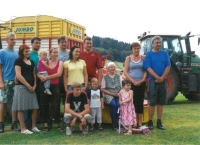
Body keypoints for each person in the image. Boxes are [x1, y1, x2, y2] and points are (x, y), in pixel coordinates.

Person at [144, 36, 171, 130]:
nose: (158, 44)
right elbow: (148, 67)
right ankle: (150, 122)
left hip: (163, 80)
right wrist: (157, 77)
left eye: (160, 42)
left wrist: (162, 77)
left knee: (161, 102)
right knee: (152, 102)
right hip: (152, 80)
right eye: (157, 43)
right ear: (153, 44)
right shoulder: (149, 54)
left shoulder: (164, 53)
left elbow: (168, 66)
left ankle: (159, 122)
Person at [12, 44, 40, 134]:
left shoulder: (32, 62)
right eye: (26, 51)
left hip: (32, 87)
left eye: (28, 51)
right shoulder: (18, 61)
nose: (28, 53)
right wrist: (28, 85)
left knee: (35, 107)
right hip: (21, 87)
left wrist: (34, 85)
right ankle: (23, 129)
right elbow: (19, 75)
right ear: (22, 52)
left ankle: (33, 126)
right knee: (21, 108)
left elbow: (34, 74)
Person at [38, 48, 63, 132]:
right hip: (44, 86)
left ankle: (57, 123)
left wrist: (47, 77)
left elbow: (59, 74)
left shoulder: (60, 63)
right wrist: (40, 77)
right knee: (44, 105)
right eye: (54, 52)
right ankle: (46, 124)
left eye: (57, 52)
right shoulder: (45, 62)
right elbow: (37, 71)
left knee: (55, 105)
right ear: (50, 54)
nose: (56, 54)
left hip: (55, 86)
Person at [123, 42, 147, 128]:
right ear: (131, 50)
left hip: (141, 83)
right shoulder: (128, 58)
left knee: (140, 102)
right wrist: (133, 81)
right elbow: (125, 71)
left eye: (138, 48)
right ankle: (133, 122)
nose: (136, 50)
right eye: (135, 48)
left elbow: (145, 71)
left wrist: (142, 80)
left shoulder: (143, 58)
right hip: (131, 84)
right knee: (132, 103)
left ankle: (140, 122)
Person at [0, 32, 19, 133]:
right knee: (3, 103)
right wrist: (1, 82)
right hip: (6, 80)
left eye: (15, 39)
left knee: (14, 103)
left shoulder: (17, 53)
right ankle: (1, 124)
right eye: (11, 39)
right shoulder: (2, 52)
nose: (14, 41)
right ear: (6, 40)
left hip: (15, 81)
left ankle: (14, 123)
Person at [24, 36, 41, 130]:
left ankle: (34, 122)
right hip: (30, 81)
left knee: (35, 103)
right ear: (32, 44)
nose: (38, 44)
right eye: (36, 43)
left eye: (39, 43)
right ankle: (27, 123)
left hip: (38, 82)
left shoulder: (40, 55)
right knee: (28, 103)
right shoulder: (29, 55)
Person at [101, 62, 122, 130]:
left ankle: (120, 122)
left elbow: (122, 87)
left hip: (118, 94)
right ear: (107, 69)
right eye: (111, 67)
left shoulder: (119, 76)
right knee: (113, 105)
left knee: (119, 105)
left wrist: (119, 93)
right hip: (108, 94)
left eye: (114, 67)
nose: (113, 68)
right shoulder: (105, 77)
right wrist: (112, 94)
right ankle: (114, 123)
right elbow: (103, 89)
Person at [58, 36, 70, 104]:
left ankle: (67, 113)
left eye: (65, 42)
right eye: (62, 42)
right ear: (59, 43)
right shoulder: (56, 52)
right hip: (58, 79)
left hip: (68, 78)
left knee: (67, 98)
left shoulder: (70, 53)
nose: (64, 43)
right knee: (57, 98)